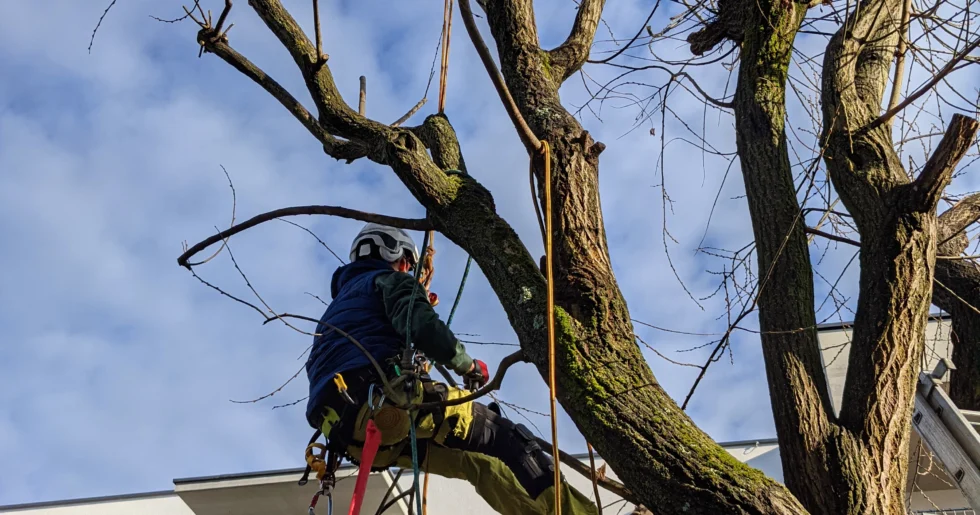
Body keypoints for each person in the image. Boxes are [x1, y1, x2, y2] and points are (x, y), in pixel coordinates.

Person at [305, 223, 599, 515]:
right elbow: (423, 327)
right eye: (408, 264)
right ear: (397, 256)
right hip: (383, 401)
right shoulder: (389, 281)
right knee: (509, 438)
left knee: (478, 462)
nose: (408, 270)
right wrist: (467, 365)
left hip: (348, 434)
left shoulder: (333, 315)